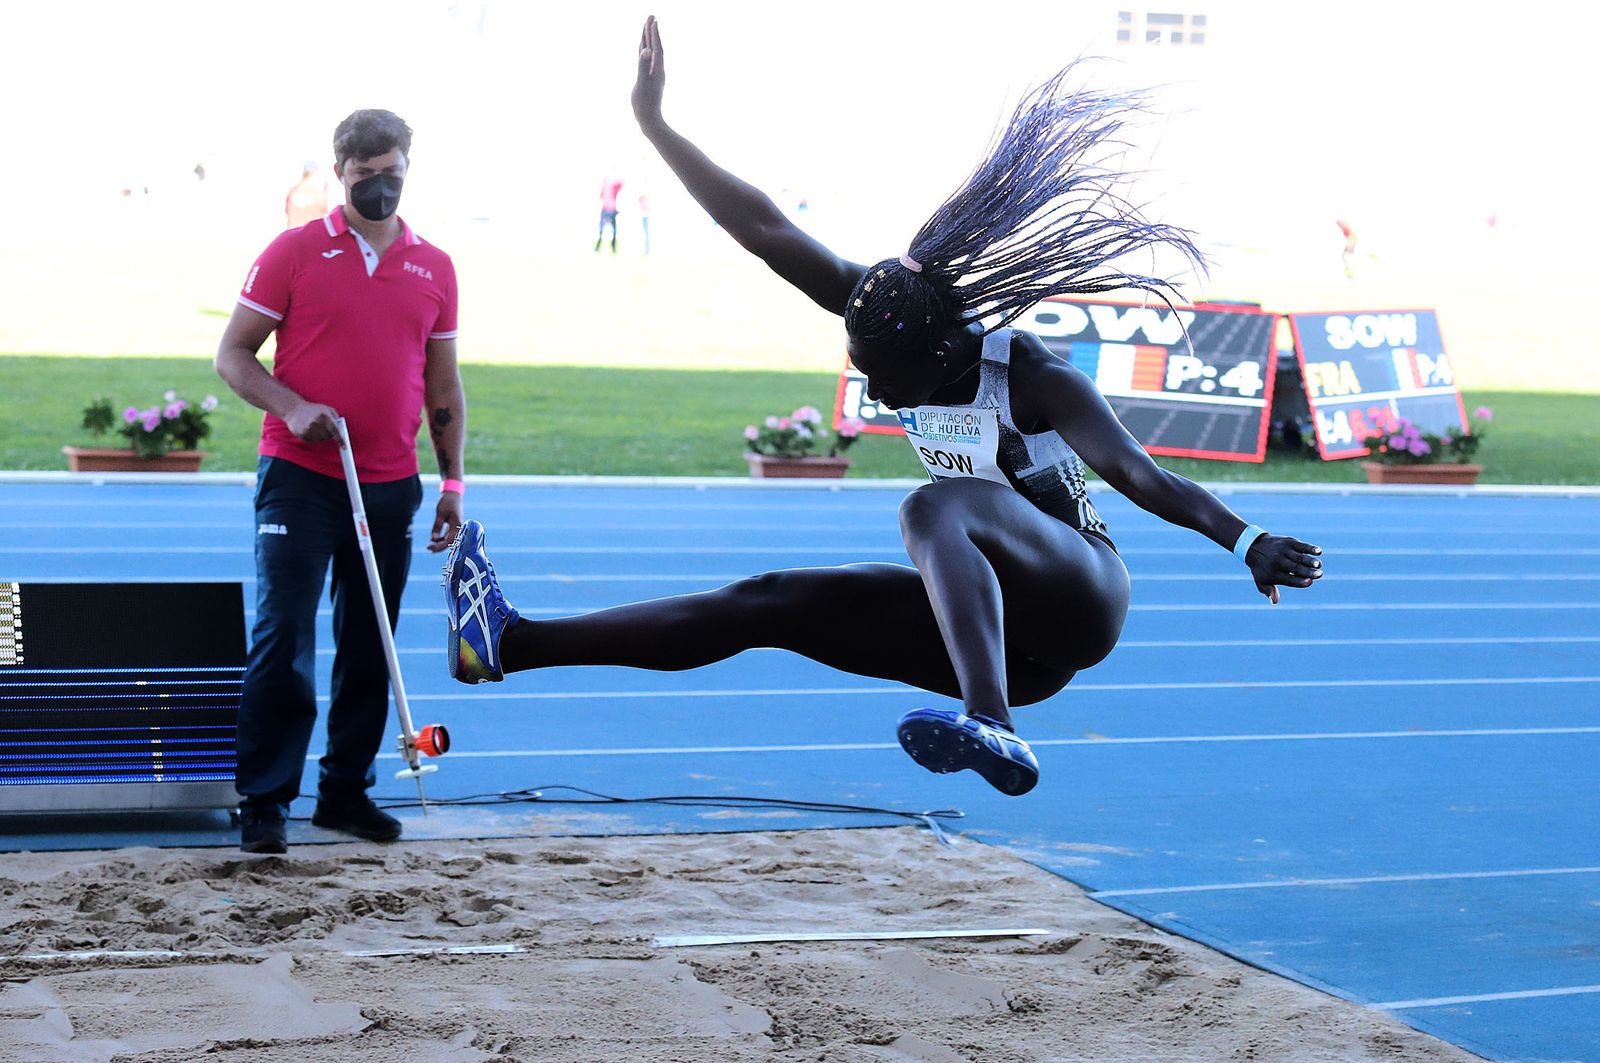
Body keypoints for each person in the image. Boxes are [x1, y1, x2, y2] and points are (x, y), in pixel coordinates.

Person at [443, 17, 1323, 798]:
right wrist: (656, 126)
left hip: (1078, 599)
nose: (873, 393)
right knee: (769, 599)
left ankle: (992, 722)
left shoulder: (1035, 380)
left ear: (942, 356)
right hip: (989, 617)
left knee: (932, 504)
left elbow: (1136, 472)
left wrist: (1247, 541)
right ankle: (510, 644)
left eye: (885, 380)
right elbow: (765, 229)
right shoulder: (890, 309)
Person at [216, 109, 469, 853]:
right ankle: (264, 800)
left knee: (370, 642)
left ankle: (344, 792)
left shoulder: (435, 266)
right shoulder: (294, 251)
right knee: (283, 635)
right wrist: (291, 407)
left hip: (390, 481)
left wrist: (453, 482)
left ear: (406, 168)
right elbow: (233, 355)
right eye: (364, 177)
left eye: (390, 172)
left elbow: (443, 383)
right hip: (299, 476)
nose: (379, 187)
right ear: (340, 174)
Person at [285, 160, 329, 228]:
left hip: (293, 233)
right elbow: (326, 214)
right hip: (310, 234)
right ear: (315, 173)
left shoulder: (292, 191)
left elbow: (287, 211)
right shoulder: (319, 194)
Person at [596, 175, 624, 252]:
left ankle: (613, 246)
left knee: (614, 230)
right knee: (601, 229)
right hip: (605, 209)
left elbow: (621, 182)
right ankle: (598, 246)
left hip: (612, 210)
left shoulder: (613, 188)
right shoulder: (604, 190)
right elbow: (601, 197)